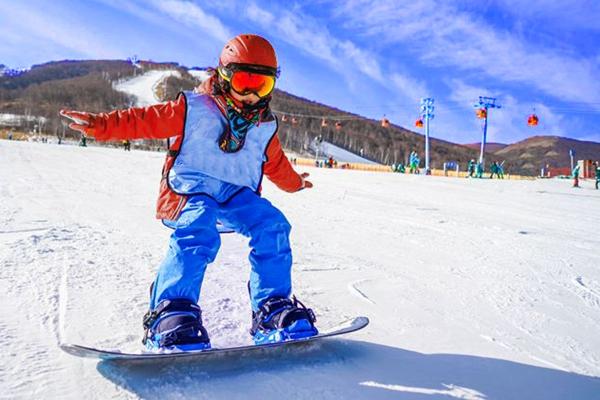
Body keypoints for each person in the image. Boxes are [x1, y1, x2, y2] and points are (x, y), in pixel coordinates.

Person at [60, 34, 318, 352]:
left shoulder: (264, 126)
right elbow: (144, 121)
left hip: (237, 194)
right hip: (192, 189)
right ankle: (171, 311)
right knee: (198, 227)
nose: (251, 94)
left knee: (273, 224)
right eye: (243, 82)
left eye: (261, 86)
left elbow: (275, 163)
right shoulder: (194, 108)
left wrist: (294, 182)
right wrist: (101, 125)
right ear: (224, 77)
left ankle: (273, 308)